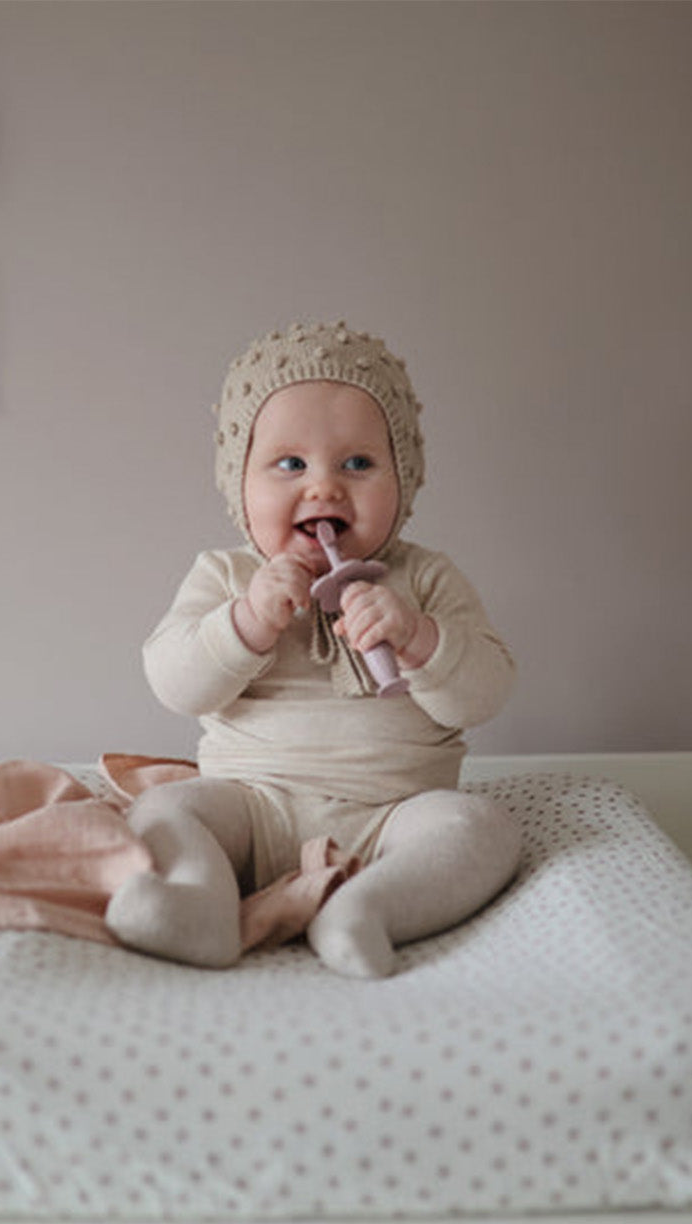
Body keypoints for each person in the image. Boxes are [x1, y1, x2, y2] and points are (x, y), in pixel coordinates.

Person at [105, 321, 522, 978]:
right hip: (250, 804)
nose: (324, 488)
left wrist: (417, 636)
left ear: (403, 479)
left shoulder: (426, 578)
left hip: (393, 816)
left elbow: (487, 692)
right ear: (240, 482)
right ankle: (200, 906)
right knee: (164, 810)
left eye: (357, 463)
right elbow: (175, 683)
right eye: (290, 464)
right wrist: (245, 623)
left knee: (482, 829)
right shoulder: (226, 576)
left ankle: (366, 910)